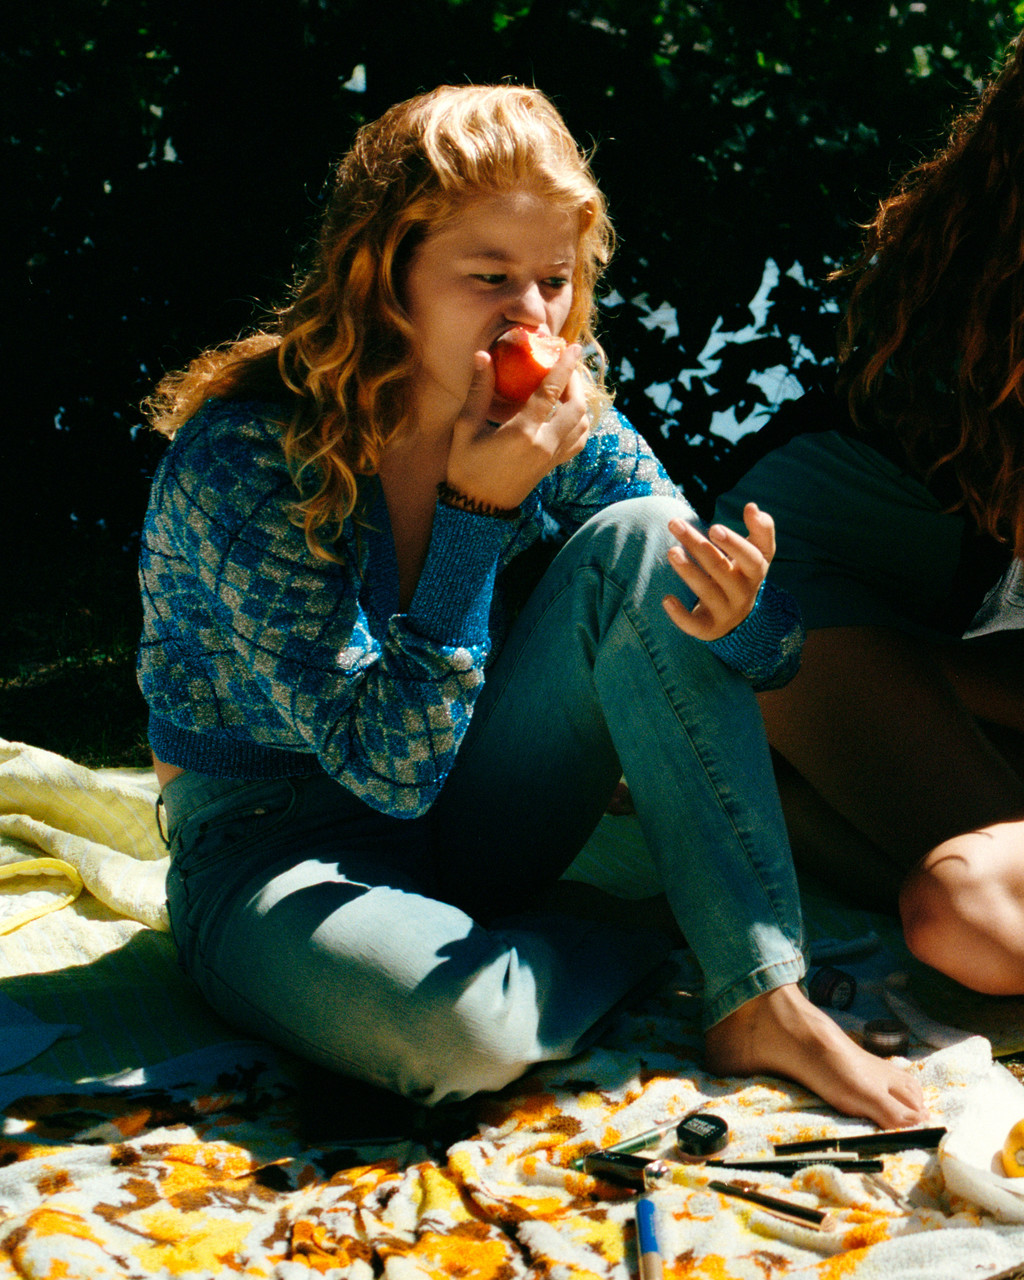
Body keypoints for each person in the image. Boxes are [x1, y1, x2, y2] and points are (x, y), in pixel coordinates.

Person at [138, 83, 924, 1127]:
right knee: (458, 1034)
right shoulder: (245, 463)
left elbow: (768, 651)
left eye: (554, 280)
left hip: (482, 807)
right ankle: (624, 933)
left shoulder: (562, 418)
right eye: (490, 277)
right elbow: (388, 770)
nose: (533, 317)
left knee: (647, 534)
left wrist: (742, 615)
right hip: (273, 846)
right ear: (384, 276)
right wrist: (474, 513)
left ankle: (759, 995)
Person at [714, 35, 1024, 997]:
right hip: (788, 588)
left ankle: (776, 777)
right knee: (988, 904)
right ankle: (778, 743)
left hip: (907, 624)